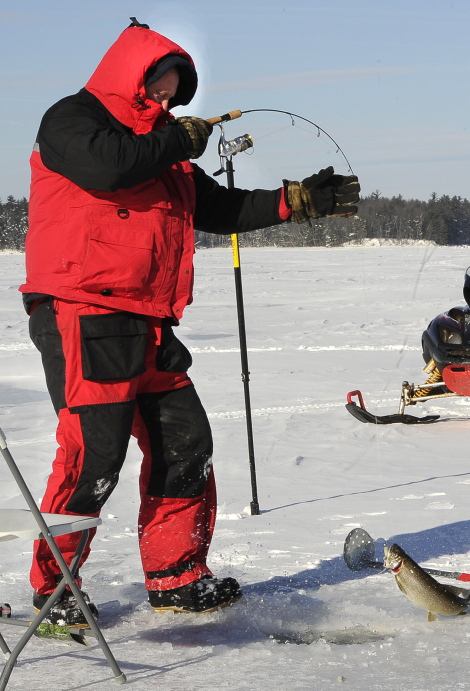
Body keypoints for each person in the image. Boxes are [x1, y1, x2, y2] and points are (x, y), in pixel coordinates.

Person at [20, 19, 360, 625]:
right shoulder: (73, 121)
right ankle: (55, 588)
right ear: (133, 78)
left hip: (149, 321)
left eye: (176, 94)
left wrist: (295, 200)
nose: (168, 102)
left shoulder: (165, 152)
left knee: (186, 444)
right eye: (158, 90)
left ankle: (176, 576)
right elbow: (108, 169)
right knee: (92, 458)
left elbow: (220, 207)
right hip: (84, 312)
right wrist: (176, 141)